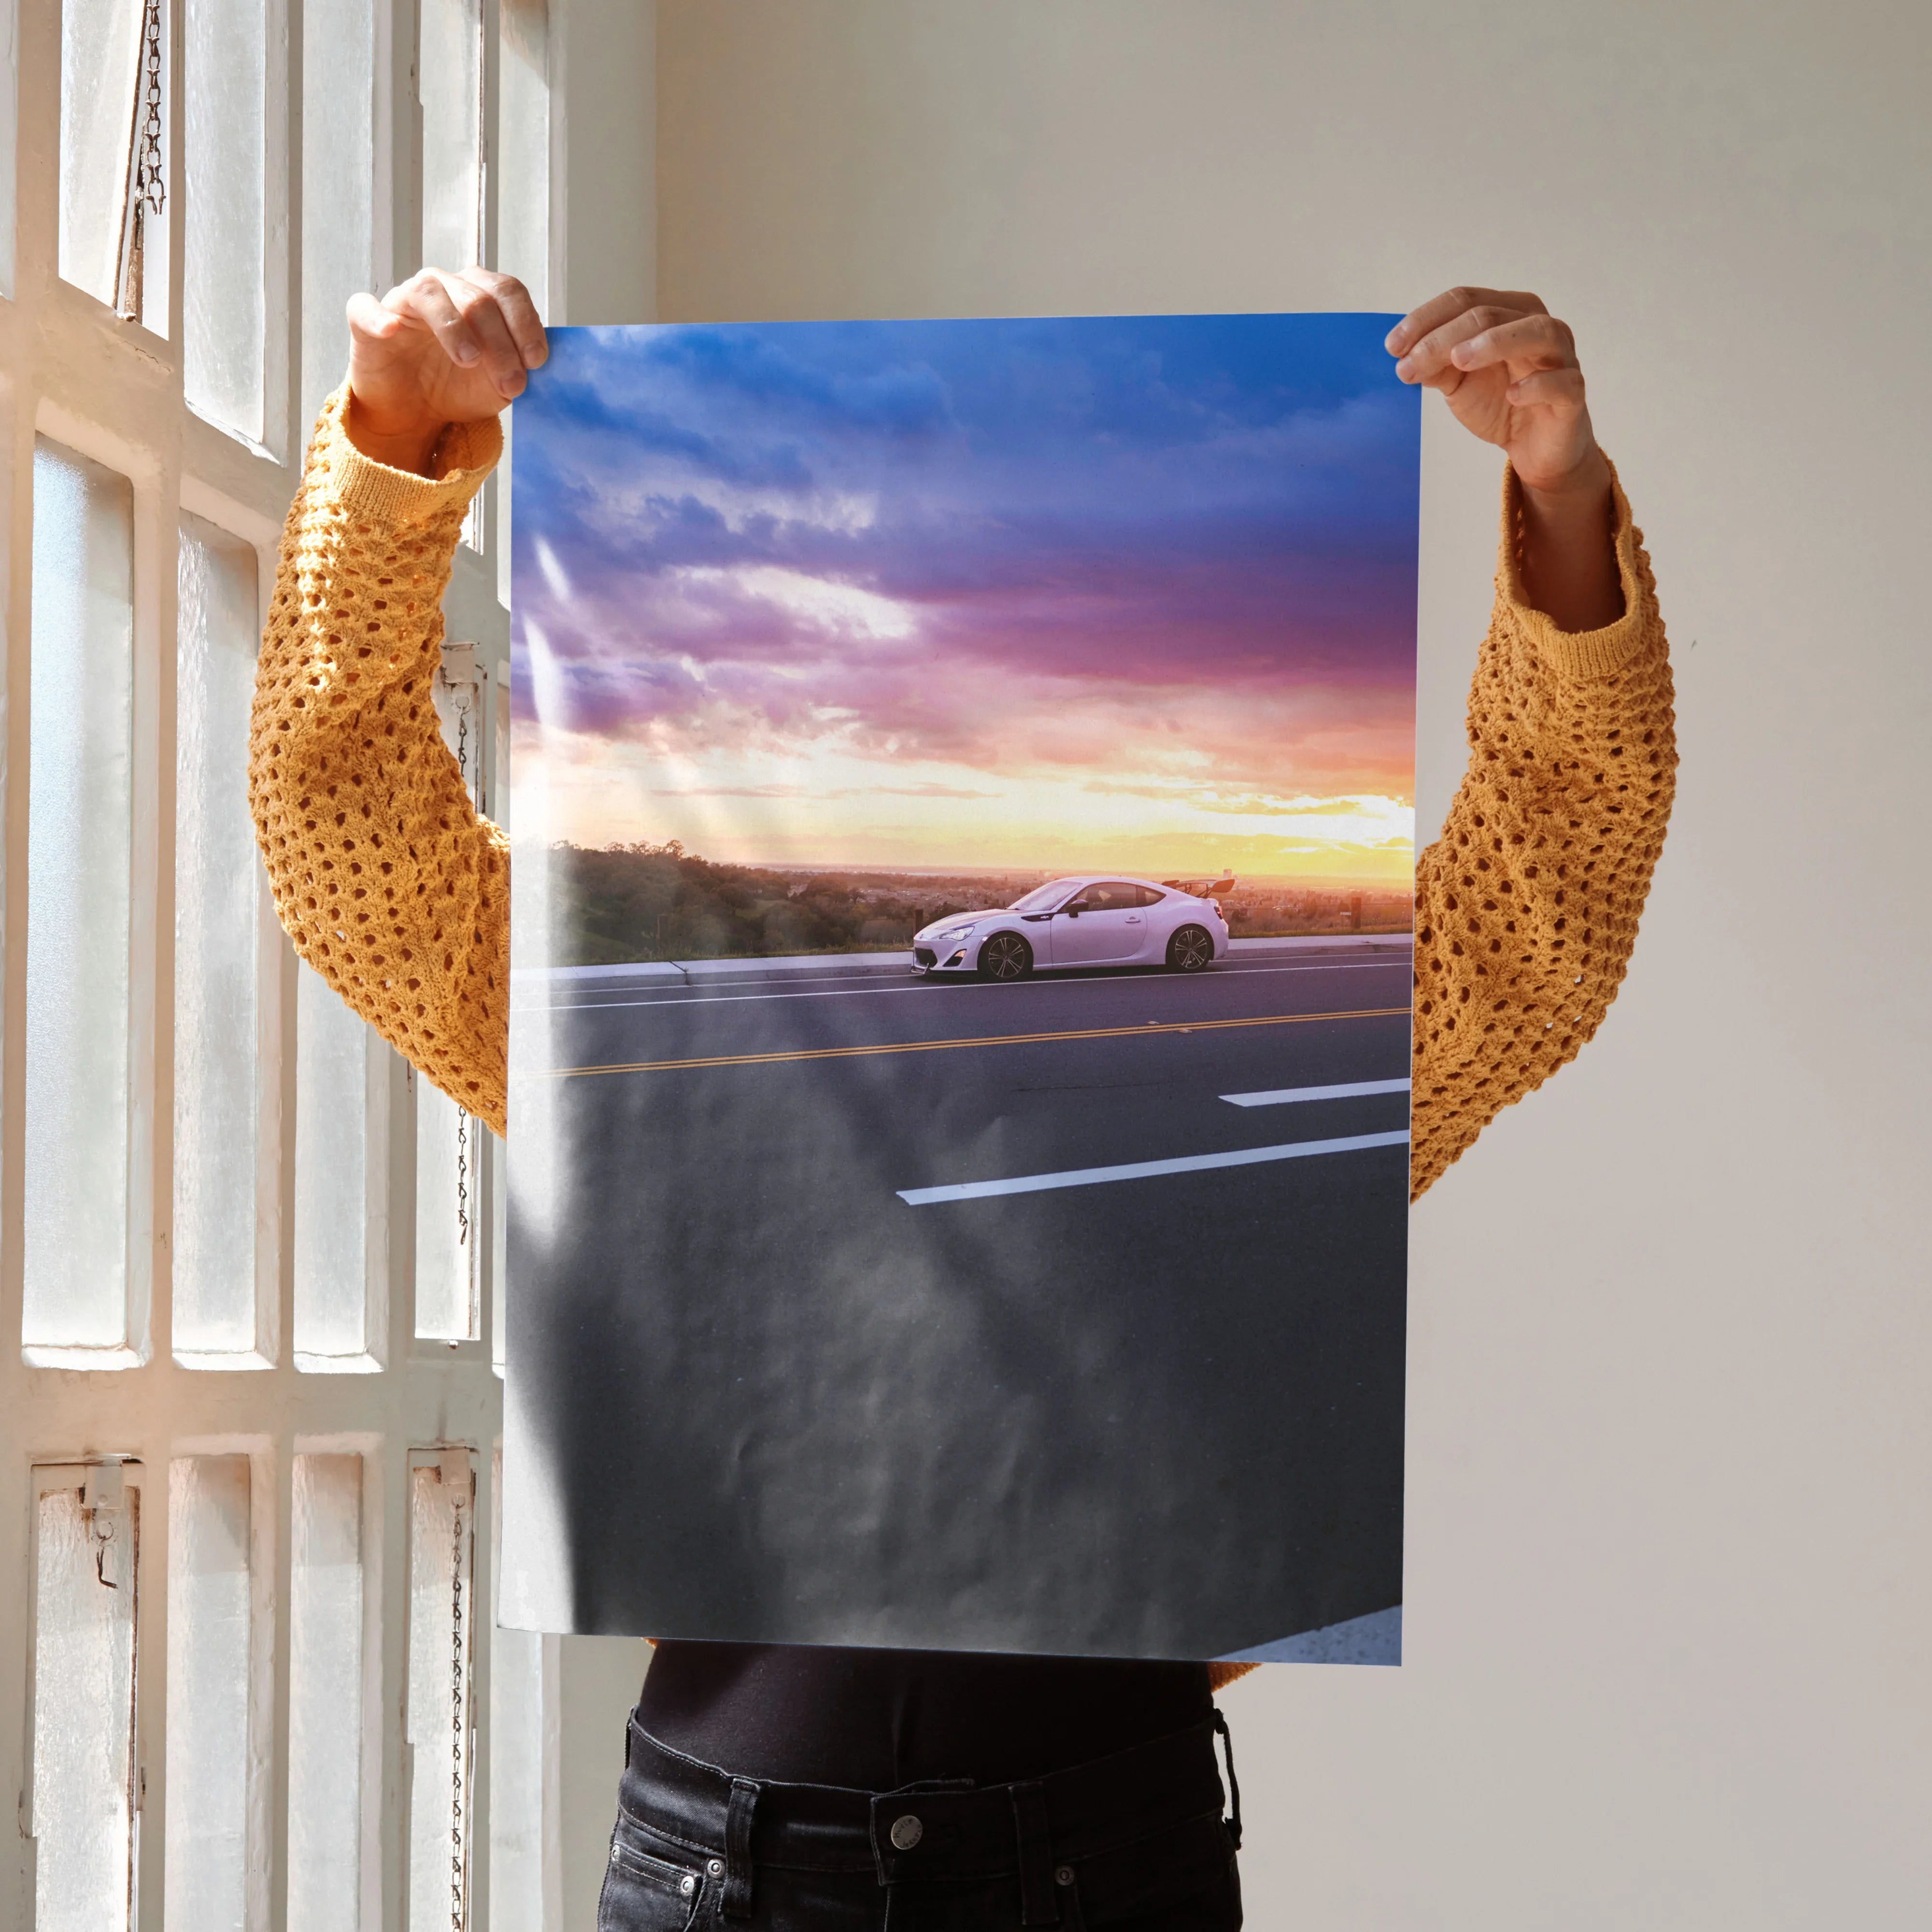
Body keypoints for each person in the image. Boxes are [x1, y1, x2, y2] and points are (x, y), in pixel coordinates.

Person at [250, 269, 1675, 1930]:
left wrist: (1560, 497)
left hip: (1106, 1850)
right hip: (729, 1864)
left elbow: (1545, 907)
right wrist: (392, 446)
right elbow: (349, 844)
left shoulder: (1266, 1070)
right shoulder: (637, 1061)